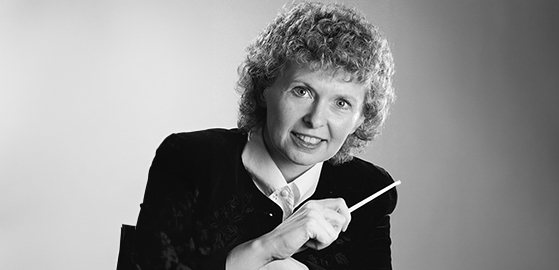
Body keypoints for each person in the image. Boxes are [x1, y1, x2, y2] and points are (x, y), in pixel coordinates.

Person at [131, 2, 397, 269]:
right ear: (263, 88)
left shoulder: (370, 189)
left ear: (361, 118)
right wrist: (266, 248)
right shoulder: (189, 159)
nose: (315, 120)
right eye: (301, 91)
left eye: (341, 103)